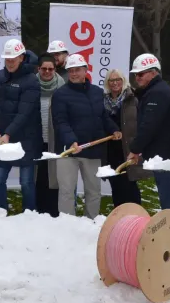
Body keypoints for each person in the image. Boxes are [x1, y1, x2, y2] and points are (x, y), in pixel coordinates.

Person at [51, 54, 122, 219]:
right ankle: (68, 225)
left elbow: (103, 116)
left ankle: (91, 223)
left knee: (94, 191)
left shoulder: (97, 92)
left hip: (93, 150)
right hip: (69, 151)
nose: (74, 74)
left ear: (85, 70)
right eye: (70, 70)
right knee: (67, 191)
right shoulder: (60, 95)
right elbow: (60, 122)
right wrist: (71, 141)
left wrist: (113, 129)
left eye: (77, 70)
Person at [127, 53, 170, 212]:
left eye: (141, 74)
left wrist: (134, 149)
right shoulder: (156, 91)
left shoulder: (157, 93)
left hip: (166, 154)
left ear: (153, 72)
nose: (137, 78)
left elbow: (148, 126)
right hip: (168, 152)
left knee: (169, 199)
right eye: (136, 75)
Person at [0, 39, 43, 212]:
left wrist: (8, 133)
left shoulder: (32, 80)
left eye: (13, 58)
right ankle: (0, 212)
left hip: (25, 140)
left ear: (21, 57)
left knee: (26, 182)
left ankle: (29, 215)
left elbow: (24, 113)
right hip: (5, 138)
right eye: (7, 58)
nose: (10, 62)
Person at [103, 68, 150, 207]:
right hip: (110, 150)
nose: (115, 83)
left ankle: (136, 215)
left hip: (128, 149)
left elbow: (142, 122)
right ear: (107, 82)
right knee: (116, 185)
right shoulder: (103, 101)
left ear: (123, 81)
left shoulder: (133, 98)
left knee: (129, 186)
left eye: (118, 79)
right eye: (111, 80)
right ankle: (119, 215)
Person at [36, 54, 65, 216]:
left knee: (55, 177)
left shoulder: (62, 87)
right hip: (37, 139)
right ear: (38, 69)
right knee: (39, 178)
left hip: (55, 140)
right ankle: (39, 211)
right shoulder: (31, 86)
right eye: (44, 69)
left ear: (55, 69)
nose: (47, 72)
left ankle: (54, 212)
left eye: (50, 69)